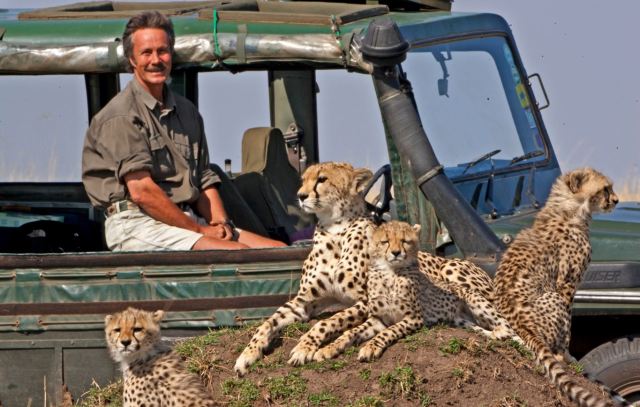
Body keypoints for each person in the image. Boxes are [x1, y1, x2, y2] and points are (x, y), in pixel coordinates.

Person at [82, 11, 286, 251]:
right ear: (132, 59)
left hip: (184, 218)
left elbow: (204, 180)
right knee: (237, 255)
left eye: (162, 51)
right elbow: (142, 192)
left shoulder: (187, 111)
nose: (155, 60)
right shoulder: (121, 115)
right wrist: (199, 230)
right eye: (146, 52)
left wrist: (221, 225)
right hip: (136, 222)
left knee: (278, 251)